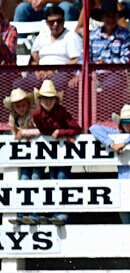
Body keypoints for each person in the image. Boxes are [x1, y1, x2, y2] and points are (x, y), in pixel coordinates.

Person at [89, 104, 130, 270]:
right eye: (126, 122)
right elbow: (93, 128)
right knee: (128, 234)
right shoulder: (116, 136)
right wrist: (112, 143)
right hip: (123, 193)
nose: (129, 124)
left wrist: (124, 143)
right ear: (121, 123)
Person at [32, 79, 82, 225]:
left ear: (55, 100)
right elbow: (43, 132)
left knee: (60, 178)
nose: (47, 101)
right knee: (45, 180)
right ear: (40, 99)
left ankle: (61, 213)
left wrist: (61, 131)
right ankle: (42, 212)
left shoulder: (61, 111)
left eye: (50, 98)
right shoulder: (36, 114)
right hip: (47, 151)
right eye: (45, 98)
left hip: (63, 151)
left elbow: (77, 128)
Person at [88, 0, 130, 65]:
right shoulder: (92, 36)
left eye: (113, 16)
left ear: (118, 17)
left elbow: (128, 60)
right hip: (95, 74)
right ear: (102, 17)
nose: (110, 20)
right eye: (107, 16)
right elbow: (83, 60)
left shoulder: (126, 36)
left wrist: (106, 63)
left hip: (117, 74)